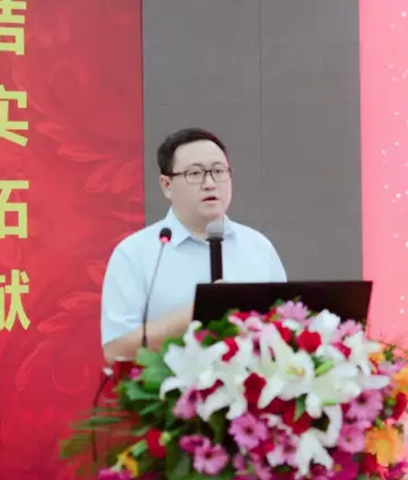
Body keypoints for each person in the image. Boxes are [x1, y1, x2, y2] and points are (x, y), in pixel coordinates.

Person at [100, 127, 286, 364]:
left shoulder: (258, 247)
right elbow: (115, 351)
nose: (210, 183)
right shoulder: (135, 253)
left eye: (218, 171)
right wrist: (196, 313)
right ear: (167, 185)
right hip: (169, 385)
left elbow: (287, 332)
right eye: (195, 173)